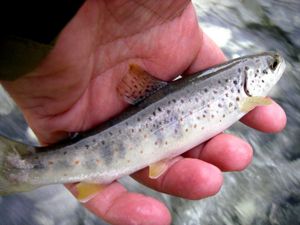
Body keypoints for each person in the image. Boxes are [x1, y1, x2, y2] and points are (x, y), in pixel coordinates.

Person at [0, 1, 286, 225]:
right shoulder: (249, 99)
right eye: (272, 67)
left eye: (271, 65)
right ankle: (21, 169)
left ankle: (23, 169)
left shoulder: (247, 96)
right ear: (250, 81)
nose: (276, 66)